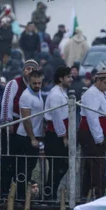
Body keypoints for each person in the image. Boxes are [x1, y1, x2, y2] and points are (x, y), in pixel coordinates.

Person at [0, 59, 38, 194]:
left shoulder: (36, 86)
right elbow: (6, 103)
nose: (29, 71)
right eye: (27, 68)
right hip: (13, 127)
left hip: (27, 129)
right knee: (8, 162)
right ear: (23, 70)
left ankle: (21, 193)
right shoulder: (14, 83)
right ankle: (5, 192)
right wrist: (7, 123)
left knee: (24, 164)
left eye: (32, 69)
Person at [79, 68, 106, 199]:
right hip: (90, 135)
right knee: (96, 166)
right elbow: (92, 117)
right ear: (97, 81)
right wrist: (99, 138)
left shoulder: (104, 94)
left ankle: (90, 194)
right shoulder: (92, 94)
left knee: (94, 166)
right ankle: (96, 194)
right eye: (105, 83)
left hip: (99, 135)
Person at [16, 69, 44, 199]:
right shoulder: (26, 96)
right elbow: (26, 120)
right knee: (24, 169)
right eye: (35, 83)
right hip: (25, 137)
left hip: (35, 135)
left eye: (39, 83)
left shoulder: (38, 94)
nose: (37, 86)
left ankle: (24, 196)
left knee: (30, 167)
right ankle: (21, 197)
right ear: (29, 82)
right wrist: (32, 138)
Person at [44, 66, 71, 199]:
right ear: (61, 78)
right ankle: (49, 194)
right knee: (57, 167)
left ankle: (51, 192)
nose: (71, 79)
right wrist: (63, 135)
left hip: (60, 133)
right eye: (68, 77)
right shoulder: (55, 94)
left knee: (62, 166)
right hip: (55, 135)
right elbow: (56, 116)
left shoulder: (61, 92)